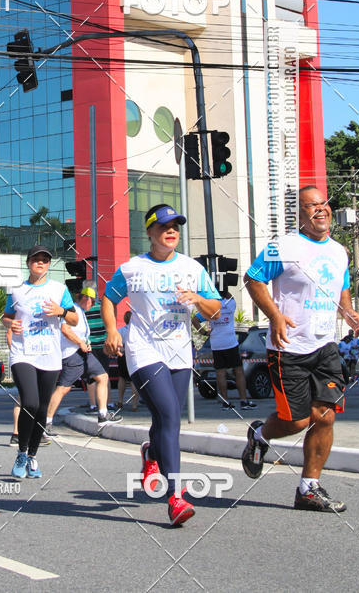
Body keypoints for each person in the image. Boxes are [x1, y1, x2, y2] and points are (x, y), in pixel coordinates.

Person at [241, 186, 359, 512]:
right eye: (311, 206)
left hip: (325, 346)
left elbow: (341, 292)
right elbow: (253, 278)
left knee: (324, 417)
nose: (320, 210)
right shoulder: (283, 246)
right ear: (300, 215)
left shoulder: (340, 251)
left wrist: (351, 315)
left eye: (323, 203)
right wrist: (275, 316)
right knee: (297, 421)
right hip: (288, 349)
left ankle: (309, 489)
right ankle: (260, 436)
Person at [103, 203, 221, 527]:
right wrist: (113, 330)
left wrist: (197, 300)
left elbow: (216, 311)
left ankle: (151, 455)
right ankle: (176, 497)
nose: (171, 231)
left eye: (176, 227)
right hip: (143, 350)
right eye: (164, 226)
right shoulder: (132, 269)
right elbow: (109, 298)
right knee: (169, 413)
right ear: (150, 232)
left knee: (166, 418)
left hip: (180, 353)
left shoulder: (192, 269)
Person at [2, 244, 78, 479]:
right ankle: (21, 452)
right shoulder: (16, 291)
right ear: (28, 263)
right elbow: (6, 317)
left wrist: (61, 312)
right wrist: (9, 324)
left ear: (48, 265)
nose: (41, 263)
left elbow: (74, 319)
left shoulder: (59, 289)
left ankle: (33, 456)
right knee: (31, 403)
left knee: (43, 409)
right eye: (36, 259)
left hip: (50, 355)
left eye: (45, 259)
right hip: (23, 352)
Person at [45, 286, 121, 434]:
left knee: (103, 377)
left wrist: (86, 343)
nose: (92, 306)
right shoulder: (72, 310)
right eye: (92, 302)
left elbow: (81, 333)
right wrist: (80, 343)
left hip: (83, 353)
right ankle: (46, 422)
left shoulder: (81, 311)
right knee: (63, 388)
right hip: (72, 354)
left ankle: (103, 414)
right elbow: (65, 330)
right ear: (86, 299)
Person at [193, 293, 256, 410]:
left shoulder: (210, 308)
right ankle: (243, 401)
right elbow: (231, 296)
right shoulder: (230, 304)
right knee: (238, 371)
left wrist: (205, 333)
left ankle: (225, 402)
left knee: (220, 373)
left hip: (217, 343)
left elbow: (195, 320)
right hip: (230, 342)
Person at [116, 310, 139, 411]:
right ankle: (134, 405)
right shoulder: (137, 331)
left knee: (122, 378)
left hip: (123, 355)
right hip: (134, 355)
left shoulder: (121, 330)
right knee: (133, 380)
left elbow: (118, 344)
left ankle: (120, 400)